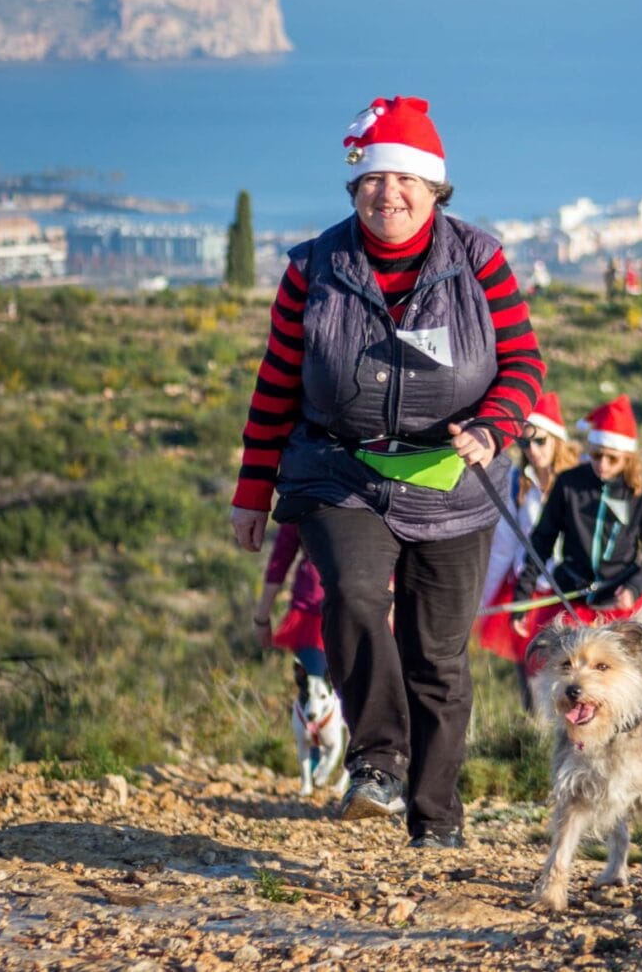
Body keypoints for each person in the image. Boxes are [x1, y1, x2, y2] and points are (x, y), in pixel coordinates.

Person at [230, 95, 545, 850]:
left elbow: (524, 363)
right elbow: (276, 383)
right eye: (374, 179)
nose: (389, 193)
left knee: (437, 655)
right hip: (340, 468)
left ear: (436, 189)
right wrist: (253, 490)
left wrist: (494, 426)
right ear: (353, 188)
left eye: (406, 179)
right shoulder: (313, 267)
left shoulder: (480, 259)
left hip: (452, 477)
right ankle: (377, 761)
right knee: (354, 591)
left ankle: (435, 818)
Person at [514, 395, 642, 657]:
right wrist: (522, 597)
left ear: (627, 458)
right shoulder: (569, 483)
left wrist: (634, 587)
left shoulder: (640, 493)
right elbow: (541, 541)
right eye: (596, 455)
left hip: (620, 604)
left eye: (611, 458)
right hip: (571, 600)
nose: (602, 464)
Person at [475, 391, 580, 706]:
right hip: (529, 589)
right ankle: (533, 745)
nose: (532, 451)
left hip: (569, 589)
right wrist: (484, 601)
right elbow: (503, 547)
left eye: (540, 441)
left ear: (557, 439)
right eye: (525, 443)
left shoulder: (578, 481)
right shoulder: (517, 483)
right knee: (533, 682)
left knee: (573, 677)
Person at [252, 522, 329, 680]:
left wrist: (262, 618)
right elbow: (280, 559)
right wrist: (262, 618)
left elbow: (280, 559)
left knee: (318, 693)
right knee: (320, 693)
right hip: (314, 617)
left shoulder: (303, 497)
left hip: (316, 610)